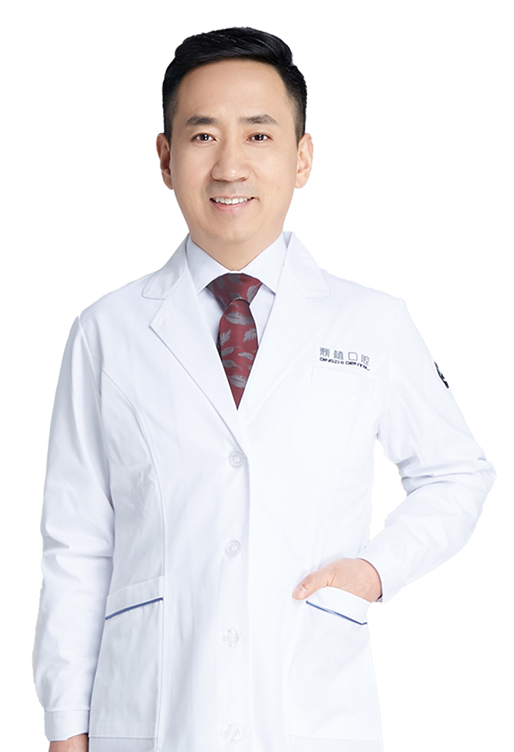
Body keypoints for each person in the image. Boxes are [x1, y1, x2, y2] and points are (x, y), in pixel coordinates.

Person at [35, 27, 495, 752]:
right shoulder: (108, 333)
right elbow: (77, 542)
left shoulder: (371, 324)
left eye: (258, 135)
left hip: (312, 712)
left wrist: (375, 571)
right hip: (153, 713)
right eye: (202, 136)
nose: (229, 166)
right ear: (165, 158)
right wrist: (66, 726)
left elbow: (456, 474)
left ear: (301, 157)